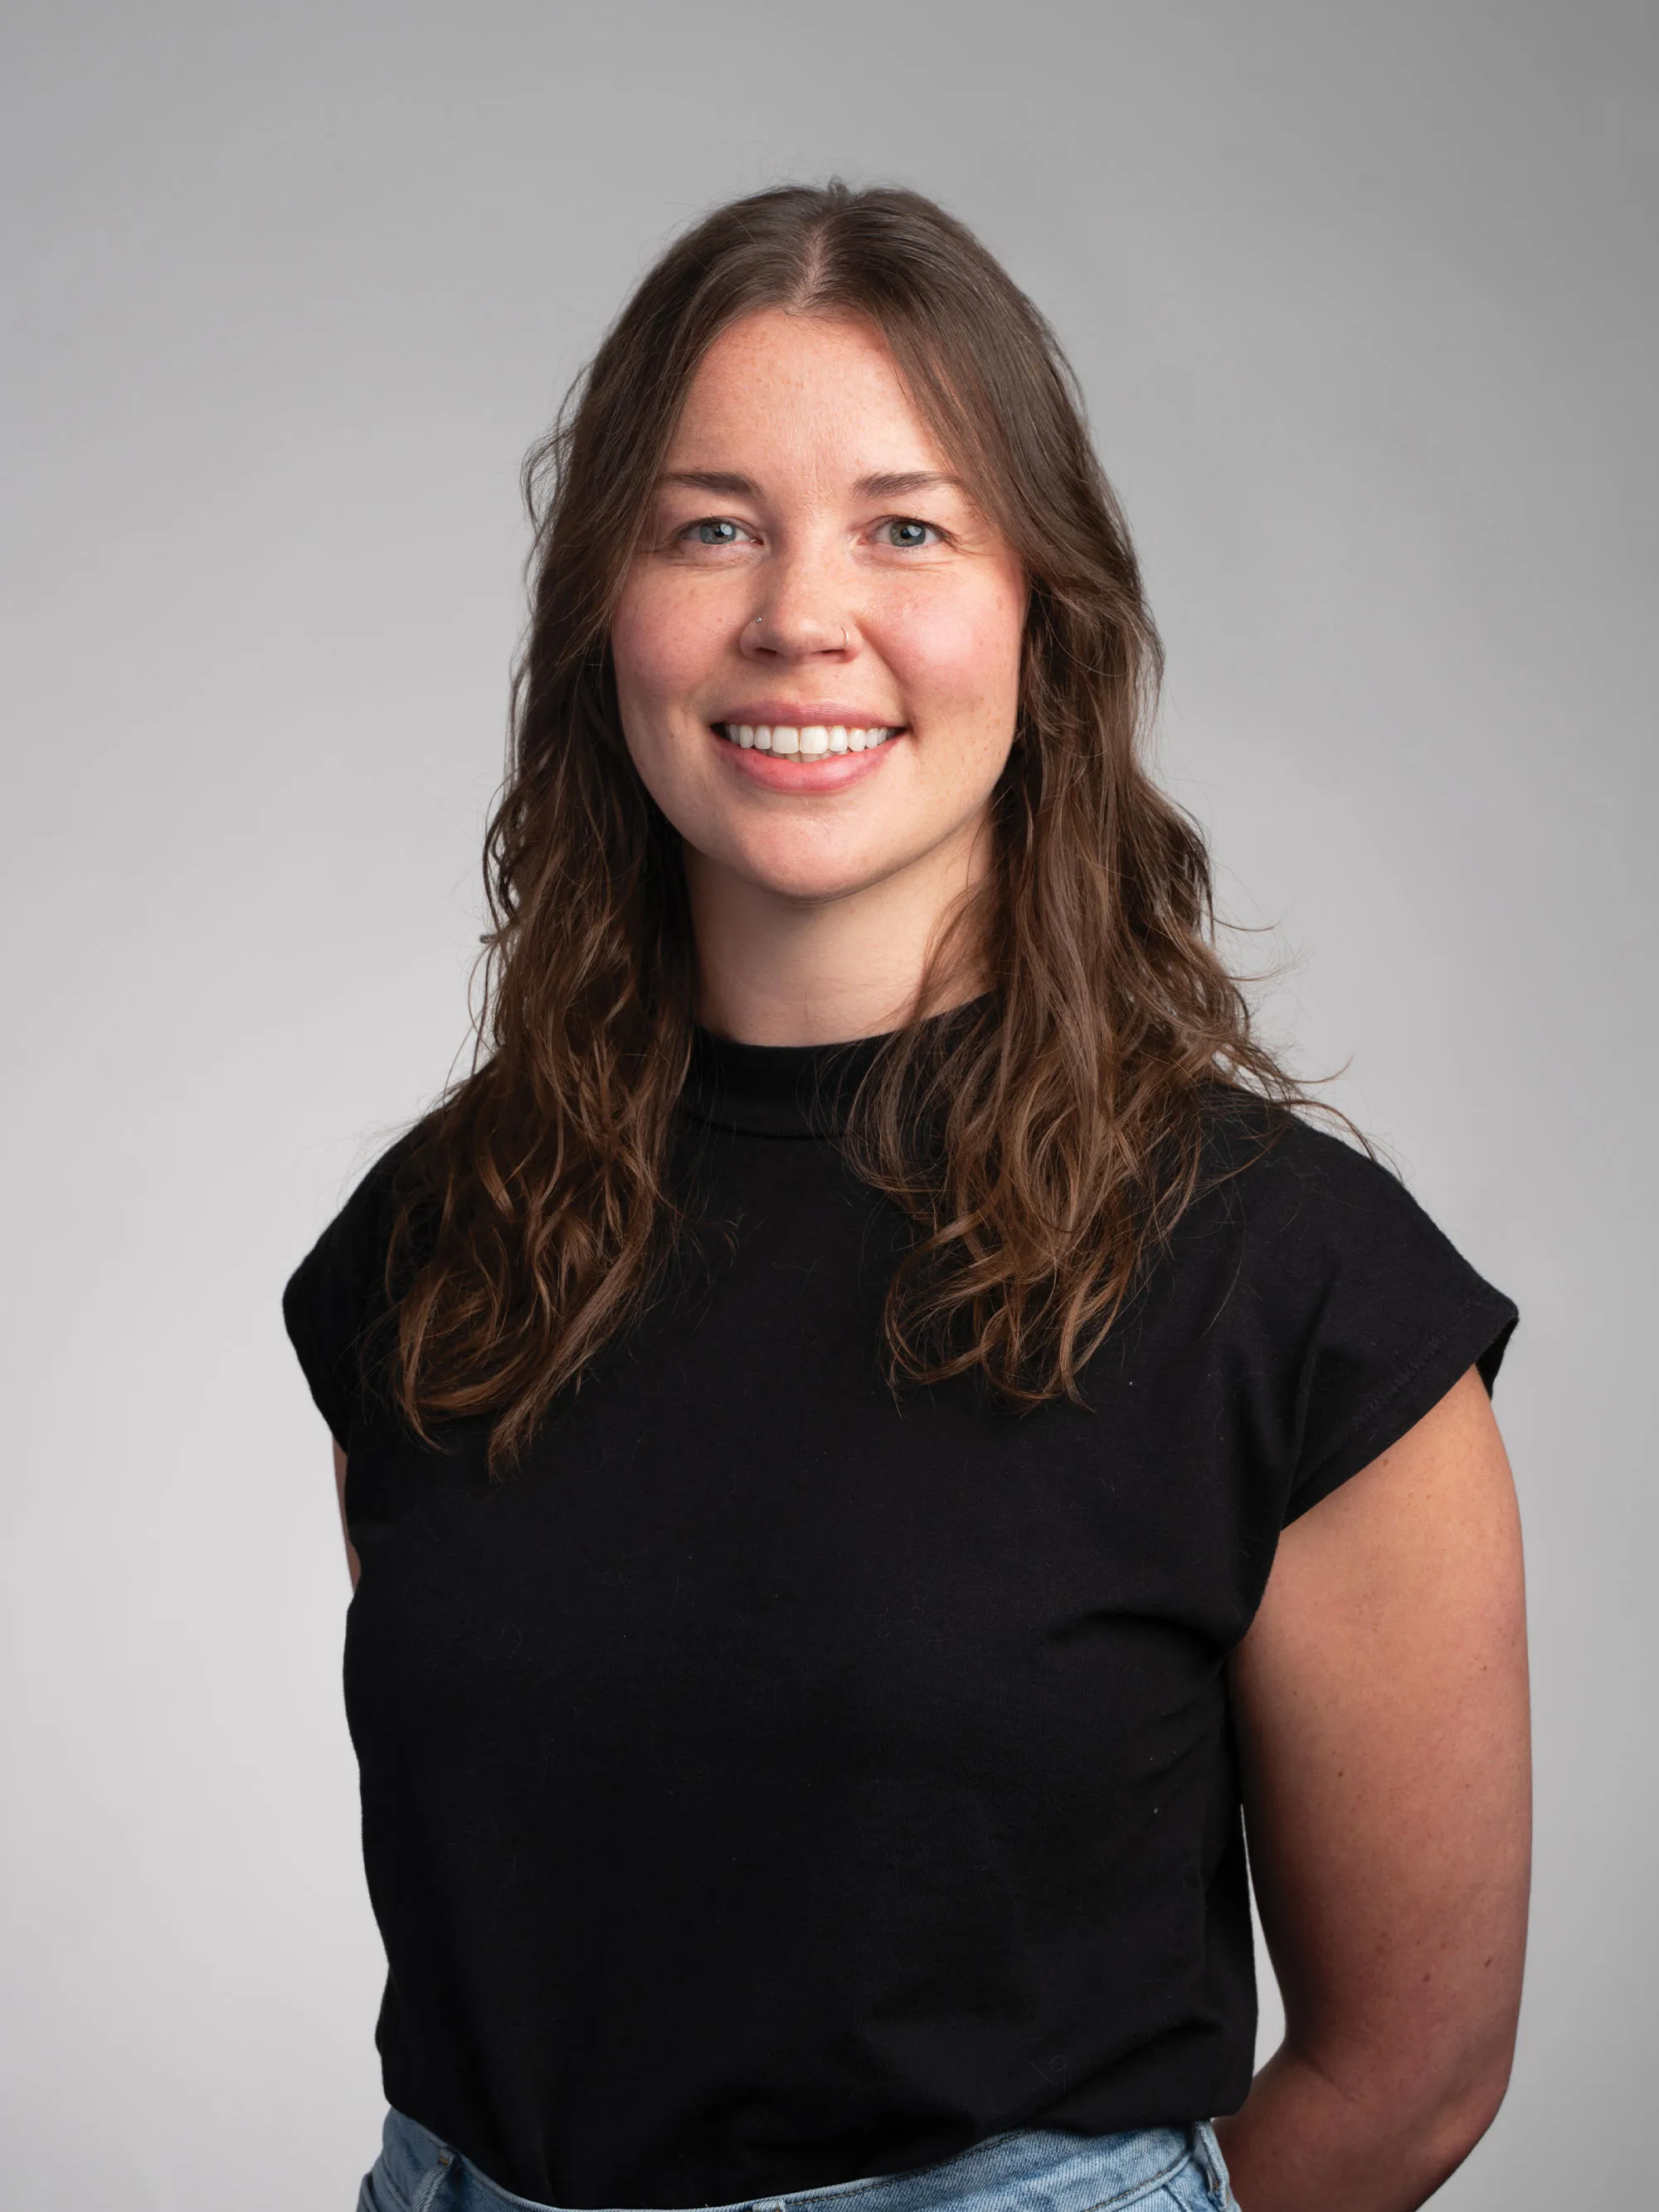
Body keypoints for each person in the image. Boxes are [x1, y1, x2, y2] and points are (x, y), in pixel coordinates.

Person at [284, 183, 1529, 2212]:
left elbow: (1411, 2077)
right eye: (711, 525)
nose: (798, 613)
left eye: (906, 524)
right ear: (609, 608)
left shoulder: (1292, 1291)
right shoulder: (438, 1250)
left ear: (1042, 615)